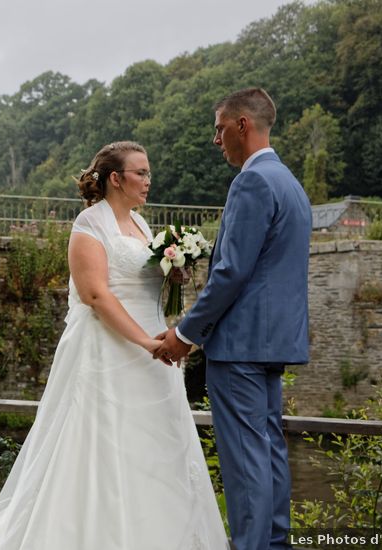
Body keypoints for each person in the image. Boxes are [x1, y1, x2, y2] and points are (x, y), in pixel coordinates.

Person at [0, 141, 227, 550]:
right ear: (116, 178)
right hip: (111, 353)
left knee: (155, 452)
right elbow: (96, 296)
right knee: (101, 451)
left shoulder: (142, 226)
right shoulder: (89, 225)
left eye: (149, 173)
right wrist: (145, 343)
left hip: (152, 359)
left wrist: (173, 278)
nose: (148, 181)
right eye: (141, 173)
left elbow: (141, 284)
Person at [153, 88, 312, 550]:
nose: (215, 140)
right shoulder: (290, 183)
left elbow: (230, 271)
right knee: (269, 451)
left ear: (243, 125)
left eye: (220, 128)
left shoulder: (252, 181)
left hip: (240, 345)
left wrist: (184, 335)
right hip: (275, 343)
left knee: (245, 464)